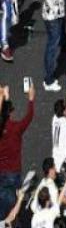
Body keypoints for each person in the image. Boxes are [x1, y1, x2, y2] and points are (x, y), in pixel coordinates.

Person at [0, 83, 33, 218]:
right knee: (14, 201)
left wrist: (6, 98)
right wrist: (31, 99)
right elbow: (29, 117)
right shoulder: (16, 128)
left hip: (1, 171)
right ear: (11, 112)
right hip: (14, 172)